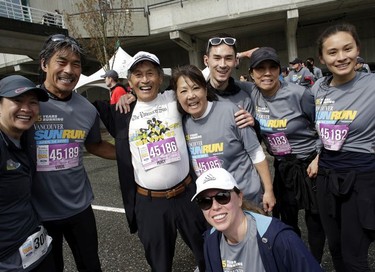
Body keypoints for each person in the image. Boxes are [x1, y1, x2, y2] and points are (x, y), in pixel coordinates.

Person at [95, 51, 207, 272]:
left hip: (188, 197)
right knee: (159, 264)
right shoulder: (123, 112)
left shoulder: (174, 100)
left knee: (208, 253)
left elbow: (204, 83)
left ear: (160, 78)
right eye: (138, 74)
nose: (144, 80)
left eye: (150, 74)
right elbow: (83, 110)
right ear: (130, 81)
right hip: (150, 203)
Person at [27, 34, 116, 272]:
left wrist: (132, 153)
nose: (69, 70)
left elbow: (94, 145)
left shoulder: (87, 109)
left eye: (75, 64)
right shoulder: (27, 104)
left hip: (80, 208)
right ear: (44, 64)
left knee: (91, 266)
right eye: (62, 61)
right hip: (39, 214)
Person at [237, 47, 326, 263]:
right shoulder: (251, 92)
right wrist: (238, 55)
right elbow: (214, 76)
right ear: (251, 74)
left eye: (272, 67)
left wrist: (319, 157)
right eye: (260, 68)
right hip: (283, 166)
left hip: (309, 165)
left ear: (279, 70)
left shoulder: (299, 94)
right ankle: (295, 259)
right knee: (287, 218)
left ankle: (314, 262)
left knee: (315, 219)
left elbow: (324, 124)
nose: (266, 73)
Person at [305, 23, 375, 271]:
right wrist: (317, 154)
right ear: (322, 58)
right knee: (334, 248)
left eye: (348, 48)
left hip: (361, 176)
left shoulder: (372, 85)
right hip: (326, 176)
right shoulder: (317, 89)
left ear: (358, 49)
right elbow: (320, 128)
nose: (341, 57)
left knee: (354, 255)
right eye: (333, 52)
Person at [170, 64, 275, 212]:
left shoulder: (232, 111)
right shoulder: (183, 124)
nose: (191, 95)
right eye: (183, 91)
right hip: (213, 204)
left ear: (205, 90)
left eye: (196, 88)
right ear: (177, 96)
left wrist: (269, 191)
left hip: (246, 198)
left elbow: (256, 153)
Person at [192, 168, 323, 272]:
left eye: (222, 197)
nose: (215, 207)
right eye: (205, 201)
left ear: (239, 198)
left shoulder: (279, 239)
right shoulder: (211, 241)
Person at [0, 75, 56, 272]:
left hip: (34, 245)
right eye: (16, 101)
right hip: (8, 258)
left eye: (32, 102)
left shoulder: (24, 139)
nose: (26, 108)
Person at [204, 34, 255, 129]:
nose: (222, 64)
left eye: (228, 58)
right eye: (217, 58)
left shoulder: (244, 100)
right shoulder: (197, 98)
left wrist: (255, 126)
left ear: (236, 61)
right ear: (206, 61)